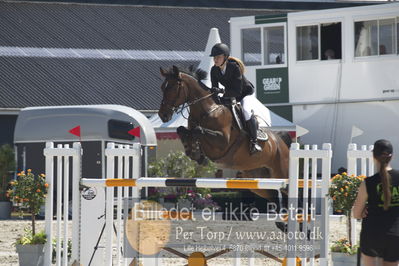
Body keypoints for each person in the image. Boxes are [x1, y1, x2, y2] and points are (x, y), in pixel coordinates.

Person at [209, 43, 264, 154]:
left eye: (218, 57)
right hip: (231, 95)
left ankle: (254, 142)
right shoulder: (214, 70)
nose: (215, 59)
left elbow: (238, 90)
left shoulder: (234, 67)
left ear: (225, 57)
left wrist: (222, 91)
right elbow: (214, 89)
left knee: (246, 111)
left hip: (245, 93)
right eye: (214, 57)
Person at [352, 139, 399, 266]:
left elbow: (356, 214)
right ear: (392, 156)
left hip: (372, 233)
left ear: (374, 156)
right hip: (395, 233)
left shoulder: (368, 182)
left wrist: (363, 212)